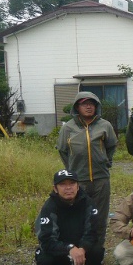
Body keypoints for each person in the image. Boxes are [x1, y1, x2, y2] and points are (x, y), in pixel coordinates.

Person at [56, 91, 117, 253]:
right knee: (78, 217)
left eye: (92, 103)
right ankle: (79, 250)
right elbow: (62, 150)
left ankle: (97, 252)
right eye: (84, 103)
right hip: (78, 181)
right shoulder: (68, 128)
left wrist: (106, 161)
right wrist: (71, 171)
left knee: (99, 217)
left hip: (101, 179)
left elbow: (111, 146)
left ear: (96, 106)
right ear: (77, 107)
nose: (88, 106)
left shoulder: (105, 125)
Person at [34, 170, 102, 265]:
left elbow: (92, 232)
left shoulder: (88, 203)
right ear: (55, 188)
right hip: (59, 252)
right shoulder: (49, 207)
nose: (68, 188)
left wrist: (82, 248)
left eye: (72, 183)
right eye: (63, 184)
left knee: (97, 250)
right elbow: (47, 240)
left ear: (77, 186)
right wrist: (69, 248)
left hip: (81, 251)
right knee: (44, 262)